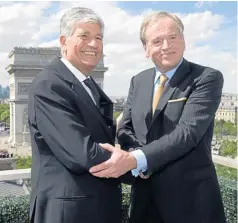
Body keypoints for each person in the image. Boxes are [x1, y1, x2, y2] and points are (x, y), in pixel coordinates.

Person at [90, 11, 226, 223]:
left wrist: (135, 160)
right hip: (144, 201)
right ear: (146, 49)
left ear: (183, 41)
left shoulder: (206, 78)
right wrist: (135, 152)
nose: (166, 46)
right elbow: (125, 127)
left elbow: (187, 133)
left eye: (173, 37)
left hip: (191, 203)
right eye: (157, 40)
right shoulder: (138, 81)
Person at [28, 7, 122, 223]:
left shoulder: (86, 84)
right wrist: (135, 163)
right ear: (64, 41)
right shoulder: (49, 85)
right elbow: (83, 153)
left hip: (94, 206)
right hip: (68, 212)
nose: (94, 44)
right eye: (84, 36)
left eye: (98, 37)